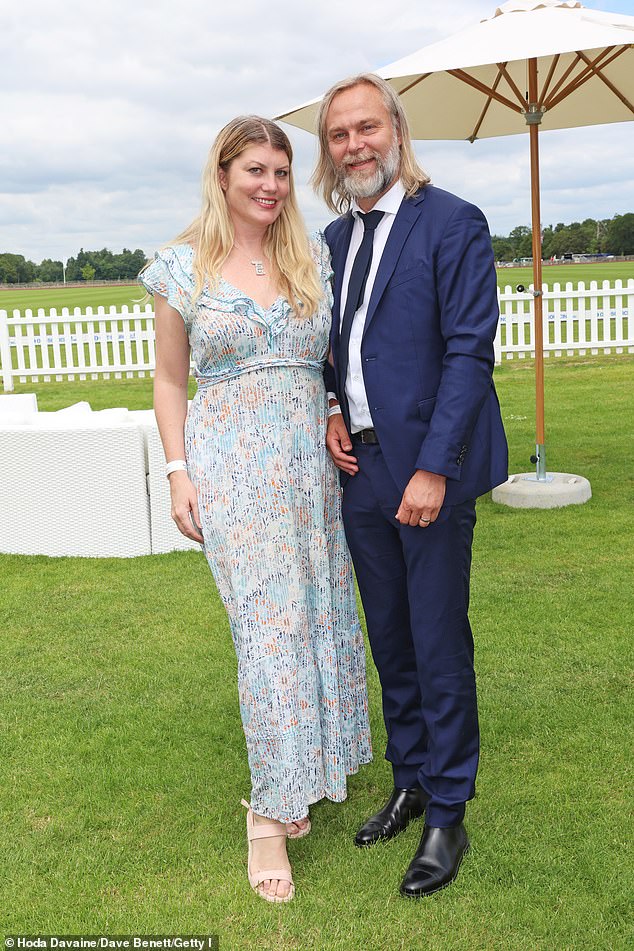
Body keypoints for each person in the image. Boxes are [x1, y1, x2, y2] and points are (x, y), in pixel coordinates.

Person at [139, 115, 371, 904]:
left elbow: (332, 358)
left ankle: (302, 772)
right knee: (266, 631)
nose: (270, 185)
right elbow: (171, 380)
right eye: (255, 171)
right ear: (224, 174)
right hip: (233, 467)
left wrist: (335, 406)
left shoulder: (310, 257)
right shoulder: (182, 267)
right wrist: (178, 472)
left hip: (310, 468)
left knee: (315, 619)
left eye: (281, 171)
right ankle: (268, 813)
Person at [311, 74, 508, 897]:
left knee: (436, 638)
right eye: (338, 135)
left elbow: (469, 351)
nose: (355, 145)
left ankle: (448, 809)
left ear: (395, 129)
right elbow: (336, 347)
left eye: (366, 127)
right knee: (388, 636)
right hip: (359, 465)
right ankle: (412, 776)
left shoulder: (453, 222)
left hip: (427, 465)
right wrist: (329, 404)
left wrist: (433, 465)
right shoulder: (329, 239)